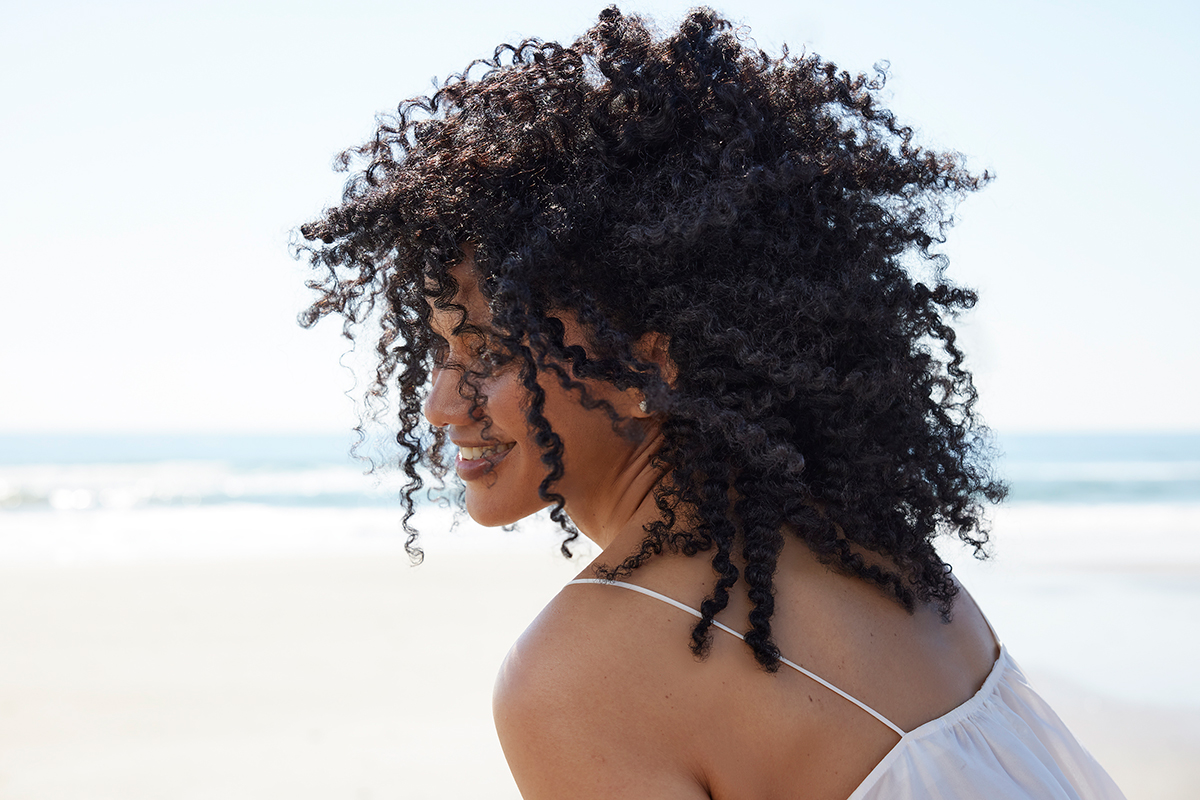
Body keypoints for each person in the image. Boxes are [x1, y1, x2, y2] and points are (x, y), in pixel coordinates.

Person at [297, 7, 1126, 799]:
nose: (441, 404)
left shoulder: (575, 681)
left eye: (489, 352)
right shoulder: (889, 562)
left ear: (646, 363)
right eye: (442, 350)